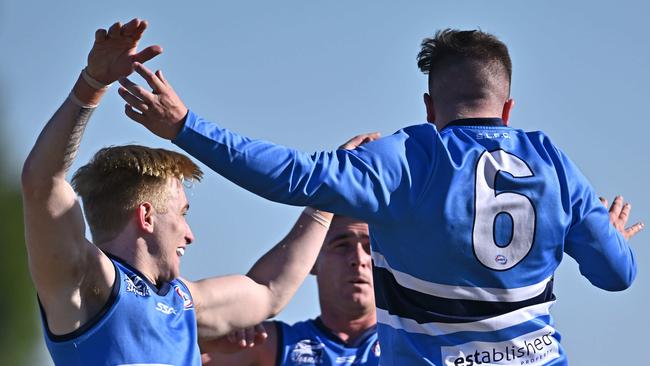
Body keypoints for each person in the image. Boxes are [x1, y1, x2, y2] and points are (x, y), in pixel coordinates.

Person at [119, 29, 644, 365]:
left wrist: (186, 127)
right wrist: (610, 237)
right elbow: (616, 275)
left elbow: (292, 175)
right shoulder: (553, 163)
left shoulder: (412, 158)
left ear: (429, 107)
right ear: (508, 109)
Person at [21, 19, 337, 366]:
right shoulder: (90, 283)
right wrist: (91, 85)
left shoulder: (183, 302)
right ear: (145, 216)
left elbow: (270, 292)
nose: (190, 234)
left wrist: (331, 193)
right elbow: (42, 183)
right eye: (182, 214)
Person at [201, 216, 380, 366]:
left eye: (369, 247)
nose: (358, 259)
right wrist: (217, 335)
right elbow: (179, 352)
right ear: (312, 259)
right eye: (342, 245)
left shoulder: (404, 338)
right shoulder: (267, 343)